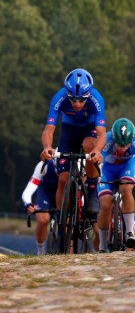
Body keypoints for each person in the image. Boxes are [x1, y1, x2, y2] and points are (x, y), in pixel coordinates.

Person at [40, 68, 107, 217]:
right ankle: (61, 220)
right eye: (73, 99)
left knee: (90, 146)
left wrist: (97, 150)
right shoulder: (59, 97)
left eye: (82, 99)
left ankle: (91, 189)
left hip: (89, 128)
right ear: (66, 93)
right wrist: (47, 147)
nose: (77, 103)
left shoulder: (97, 99)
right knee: (63, 180)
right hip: (69, 129)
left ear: (89, 94)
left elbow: (102, 134)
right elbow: (49, 130)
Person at [96, 118, 135, 252]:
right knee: (106, 204)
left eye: (126, 145)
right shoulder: (106, 140)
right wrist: (98, 177)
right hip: (107, 169)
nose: (122, 149)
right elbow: (99, 163)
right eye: (119, 145)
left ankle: (129, 232)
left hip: (126, 167)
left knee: (126, 189)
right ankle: (102, 244)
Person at [21, 158, 59, 255]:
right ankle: (41, 250)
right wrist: (28, 204)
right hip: (45, 193)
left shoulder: (76, 165)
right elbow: (28, 191)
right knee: (43, 219)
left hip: (64, 196)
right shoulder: (44, 165)